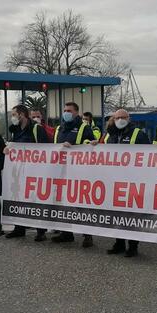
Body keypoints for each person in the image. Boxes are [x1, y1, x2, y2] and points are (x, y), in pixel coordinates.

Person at [95, 109, 150, 257]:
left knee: (132, 215)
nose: (120, 120)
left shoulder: (138, 134)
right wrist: (95, 145)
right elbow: (101, 152)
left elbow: (150, 155)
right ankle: (119, 243)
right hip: (114, 181)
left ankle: (133, 246)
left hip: (133, 181)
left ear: (128, 118)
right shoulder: (108, 135)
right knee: (116, 214)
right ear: (113, 119)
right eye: (118, 117)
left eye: (123, 117)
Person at [52, 102, 96, 245]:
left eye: (69, 111)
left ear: (76, 112)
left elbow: (90, 147)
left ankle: (87, 235)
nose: (66, 113)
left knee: (81, 204)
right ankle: (66, 233)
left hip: (79, 172)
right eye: (65, 110)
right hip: (62, 171)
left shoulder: (84, 128)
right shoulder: (59, 128)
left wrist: (76, 147)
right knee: (63, 203)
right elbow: (53, 148)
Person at [6, 105, 50, 241]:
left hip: (35, 172)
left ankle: (41, 231)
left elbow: (47, 149)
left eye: (14, 114)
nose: (12, 117)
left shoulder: (37, 129)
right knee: (18, 199)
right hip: (19, 172)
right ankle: (19, 228)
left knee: (36, 200)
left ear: (22, 115)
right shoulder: (15, 130)